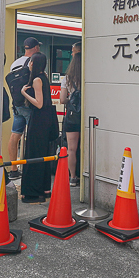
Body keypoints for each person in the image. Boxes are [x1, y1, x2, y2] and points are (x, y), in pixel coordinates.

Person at [20, 52, 57, 203]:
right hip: (47, 120)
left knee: (33, 154)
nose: (29, 64)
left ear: (34, 64)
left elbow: (39, 103)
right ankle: (45, 189)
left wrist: (24, 93)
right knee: (43, 154)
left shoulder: (36, 80)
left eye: (31, 62)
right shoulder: (44, 77)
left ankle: (32, 192)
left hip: (39, 121)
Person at [6, 37, 41, 179]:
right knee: (33, 137)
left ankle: (14, 169)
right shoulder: (34, 62)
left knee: (15, 135)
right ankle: (31, 169)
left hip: (17, 104)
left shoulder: (15, 63)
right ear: (36, 48)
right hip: (29, 104)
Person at [59, 42, 82, 187]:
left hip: (72, 116)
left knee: (72, 149)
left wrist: (72, 99)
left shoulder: (67, 78)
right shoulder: (89, 75)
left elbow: (62, 100)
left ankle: (73, 177)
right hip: (87, 116)